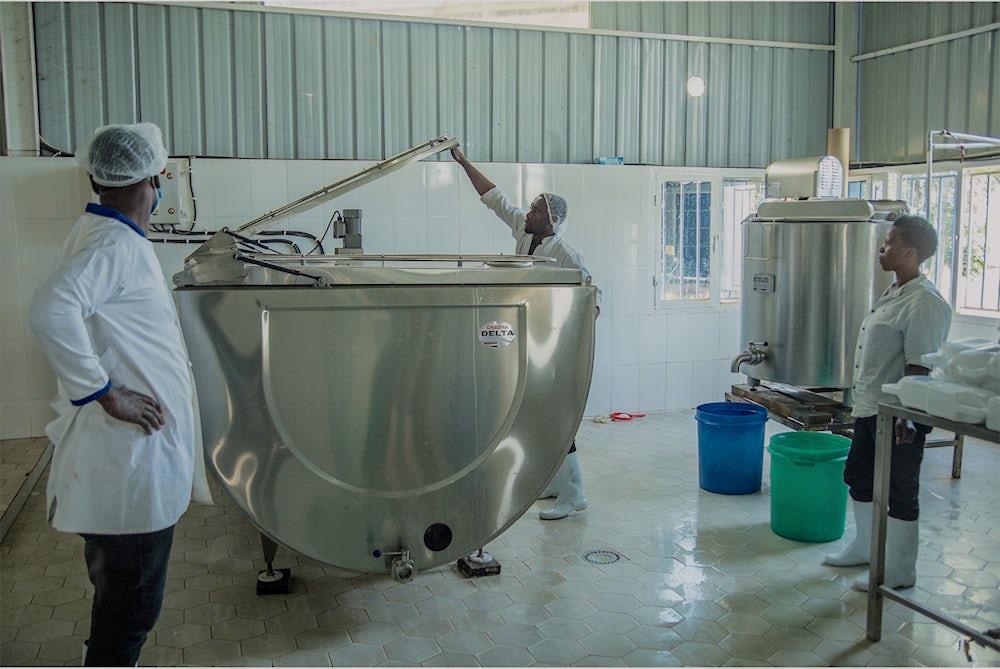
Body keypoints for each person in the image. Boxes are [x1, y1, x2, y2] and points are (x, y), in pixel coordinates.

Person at [29, 122, 212, 666]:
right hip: (126, 461)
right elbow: (48, 309)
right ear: (156, 181)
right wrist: (104, 393)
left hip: (130, 458)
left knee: (122, 603)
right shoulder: (113, 244)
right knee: (129, 611)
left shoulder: (110, 236)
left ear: (95, 178)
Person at [452, 145, 599, 520]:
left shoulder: (564, 252)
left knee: (555, 416)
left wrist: (570, 342)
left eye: (535, 209)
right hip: (531, 342)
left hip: (556, 348)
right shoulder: (525, 233)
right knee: (534, 414)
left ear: (550, 219)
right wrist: (462, 161)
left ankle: (575, 492)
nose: (527, 212)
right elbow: (494, 198)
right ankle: (552, 482)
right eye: (530, 208)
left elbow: (593, 300)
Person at [822, 215, 951, 591]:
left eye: (890, 242)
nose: (883, 248)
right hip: (870, 405)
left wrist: (908, 418)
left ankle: (899, 569)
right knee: (859, 477)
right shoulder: (895, 292)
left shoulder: (925, 301)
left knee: (899, 490)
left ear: (910, 252)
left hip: (899, 414)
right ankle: (864, 547)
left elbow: (920, 365)